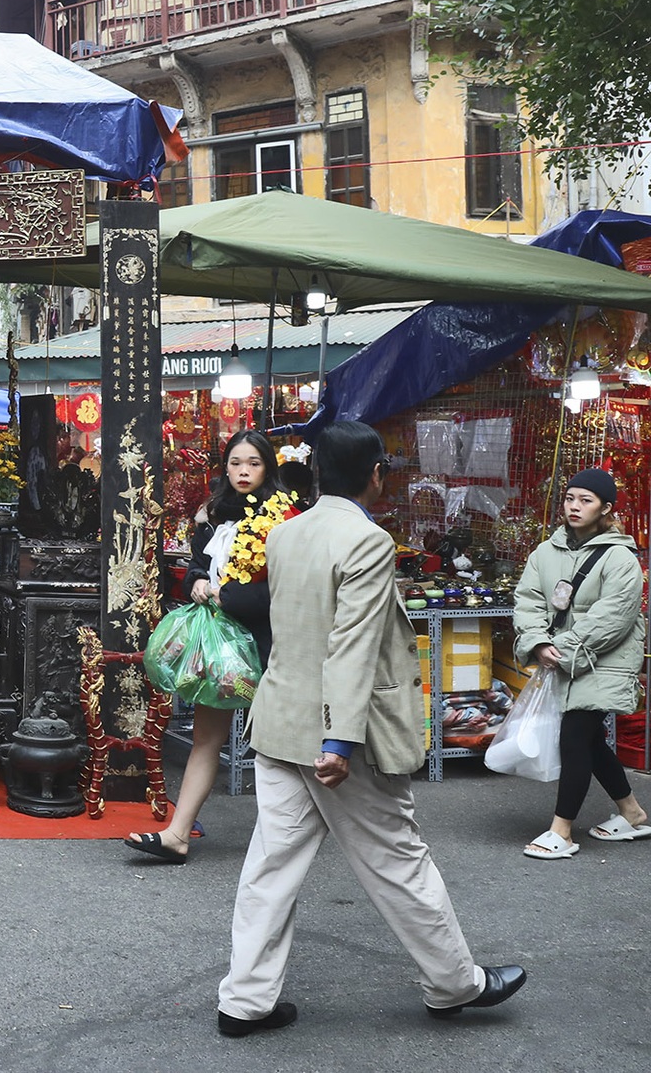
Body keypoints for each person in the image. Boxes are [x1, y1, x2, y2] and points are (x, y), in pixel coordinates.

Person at [216, 421, 524, 1036]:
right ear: (376, 474)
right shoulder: (367, 541)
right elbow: (351, 647)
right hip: (339, 737)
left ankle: (244, 1001)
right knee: (398, 859)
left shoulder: (284, 535)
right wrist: (339, 742)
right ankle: (454, 982)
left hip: (278, 722)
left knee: (270, 868)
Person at [126, 430, 287, 864]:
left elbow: (284, 589)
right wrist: (197, 580)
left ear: (267, 468)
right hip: (217, 647)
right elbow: (198, 562)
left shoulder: (286, 518)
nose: (244, 472)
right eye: (236, 463)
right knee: (206, 739)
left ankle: (291, 840)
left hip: (265, 644)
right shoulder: (214, 513)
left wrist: (226, 596)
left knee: (276, 745)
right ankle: (178, 833)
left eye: (253, 463)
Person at [511, 467, 650, 857]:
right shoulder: (545, 552)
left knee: (574, 737)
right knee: (590, 741)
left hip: (601, 663)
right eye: (570, 498)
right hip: (560, 659)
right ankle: (632, 812)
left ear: (605, 509)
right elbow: (528, 601)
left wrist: (563, 650)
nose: (575, 506)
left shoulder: (621, 559)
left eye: (585, 500)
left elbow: (613, 617)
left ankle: (562, 831)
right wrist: (538, 642)